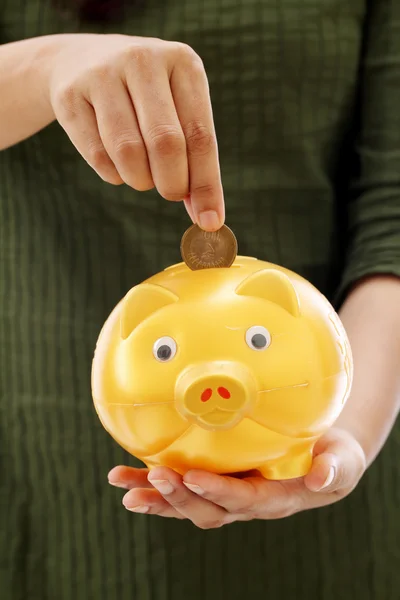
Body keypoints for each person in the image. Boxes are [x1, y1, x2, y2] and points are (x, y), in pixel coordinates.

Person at [1, 1, 399, 598]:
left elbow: (393, 216)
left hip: (348, 422)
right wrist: (47, 66)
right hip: (41, 450)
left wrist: (348, 436)